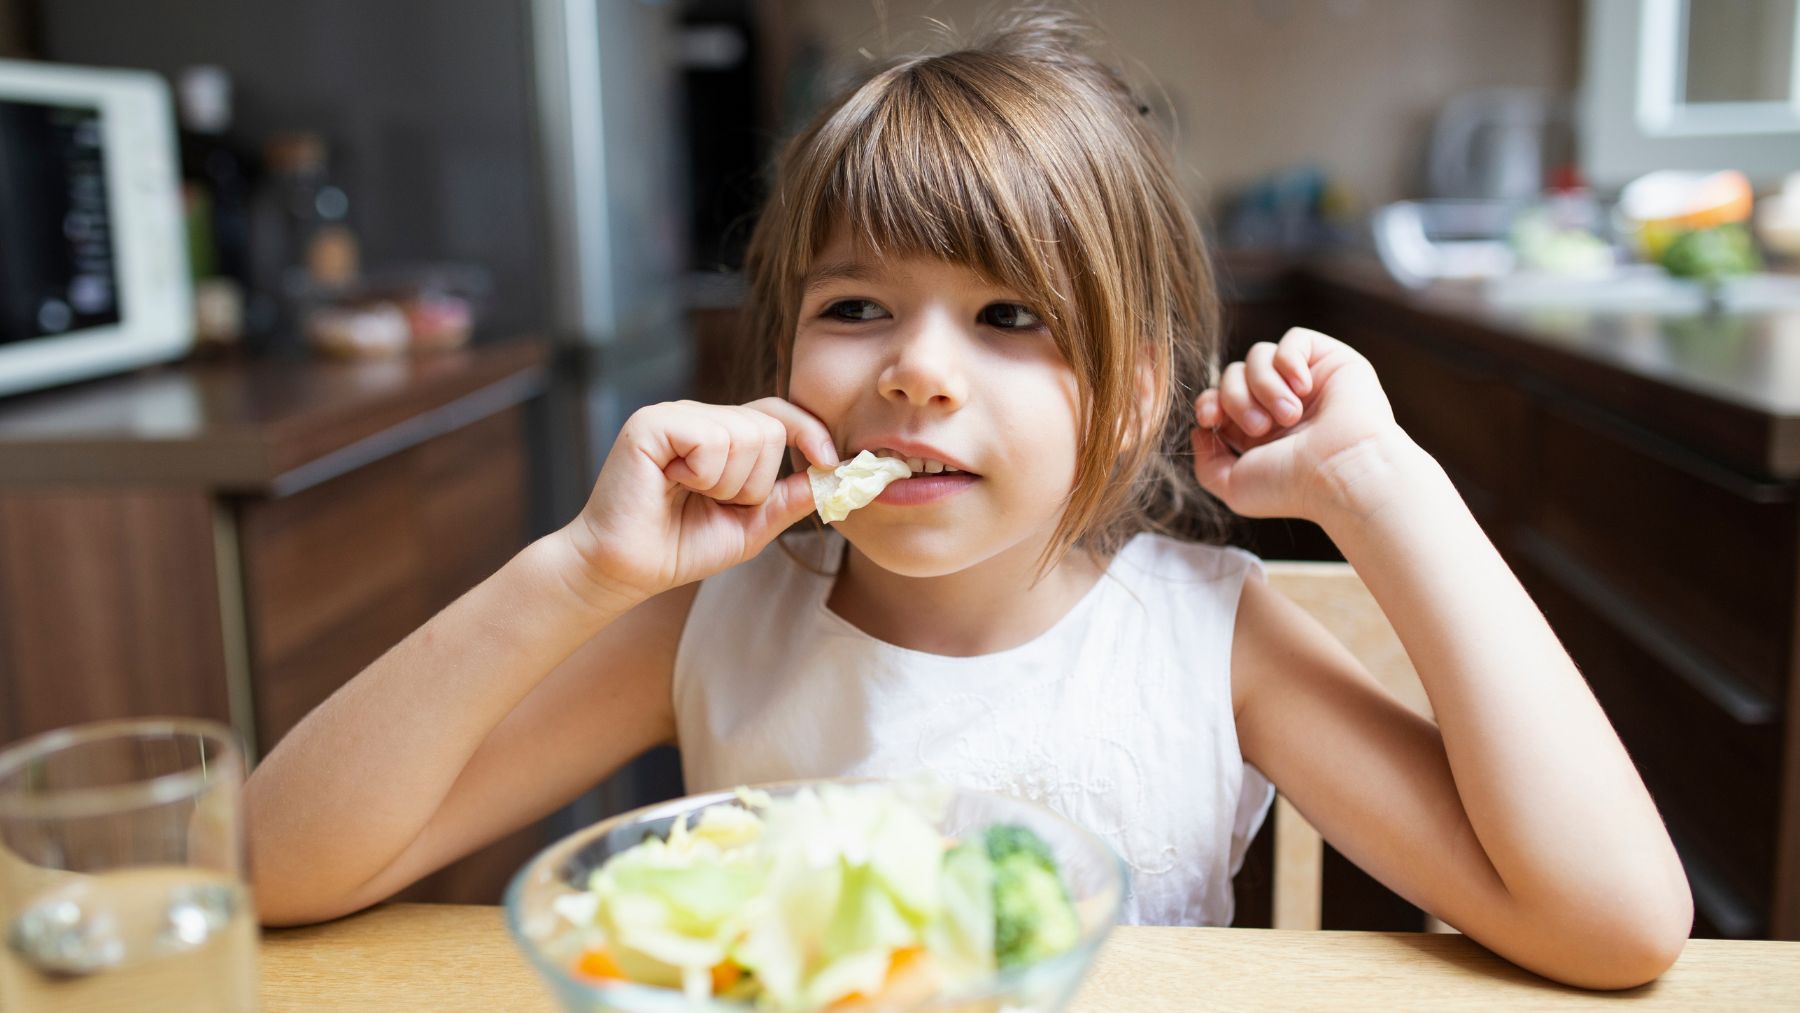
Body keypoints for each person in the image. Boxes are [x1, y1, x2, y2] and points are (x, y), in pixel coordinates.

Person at [244, 8, 1690, 988]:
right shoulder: (711, 621)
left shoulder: (1212, 641)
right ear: (783, 356)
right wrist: (577, 573)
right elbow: (270, 867)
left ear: (1130, 391)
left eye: (1010, 317)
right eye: (857, 306)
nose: (918, 373)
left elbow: (1616, 924)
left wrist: (1382, 489)